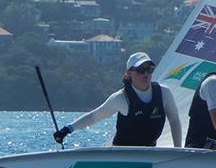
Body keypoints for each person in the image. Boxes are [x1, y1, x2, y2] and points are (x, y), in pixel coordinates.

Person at [53, 52, 182, 147]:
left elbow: (175, 120)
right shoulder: (120, 98)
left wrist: (178, 150)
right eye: (141, 70)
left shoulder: (164, 92)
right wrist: (67, 129)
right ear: (129, 73)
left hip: (149, 152)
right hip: (121, 154)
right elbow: (94, 116)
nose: (146, 74)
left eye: (149, 69)